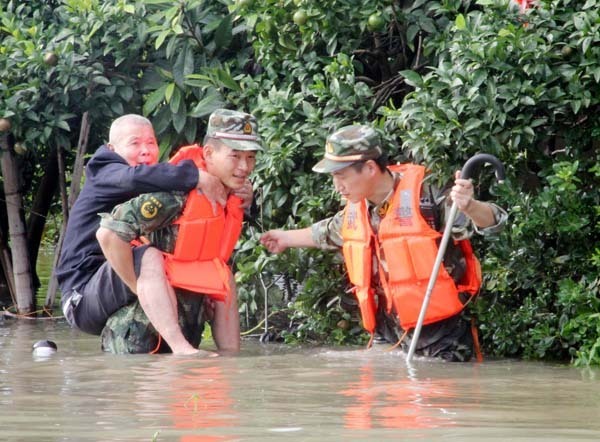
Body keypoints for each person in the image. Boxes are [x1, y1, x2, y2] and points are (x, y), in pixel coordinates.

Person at [260, 125, 507, 361]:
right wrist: (284, 238)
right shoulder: (358, 207)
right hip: (386, 335)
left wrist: (470, 205)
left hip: (440, 337)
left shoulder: (426, 197)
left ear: (369, 168)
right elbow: (326, 232)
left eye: (340, 176)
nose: (337, 187)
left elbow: (494, 222)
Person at [56, 113, 231, 354]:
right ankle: (181, 348)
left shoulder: (154, 183)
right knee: (147, 256)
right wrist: (195, 175)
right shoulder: (104, 169)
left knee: (210, 270)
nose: (146, 150)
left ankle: (229, 356)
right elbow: (131, 180)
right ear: (112, 148)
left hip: (112, 286)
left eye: (151, 143)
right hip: (81, 298)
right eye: (135, 143)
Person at [96, 109, 261, 355]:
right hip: (137, 342)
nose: (244, 167)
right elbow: (108, 233)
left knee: (225, 276)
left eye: (250, 158)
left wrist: (231, 366)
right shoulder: (176, 195)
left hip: (187, 341)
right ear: (209, 153)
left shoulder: (236, 199)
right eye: (235, 156)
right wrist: (135, 286)